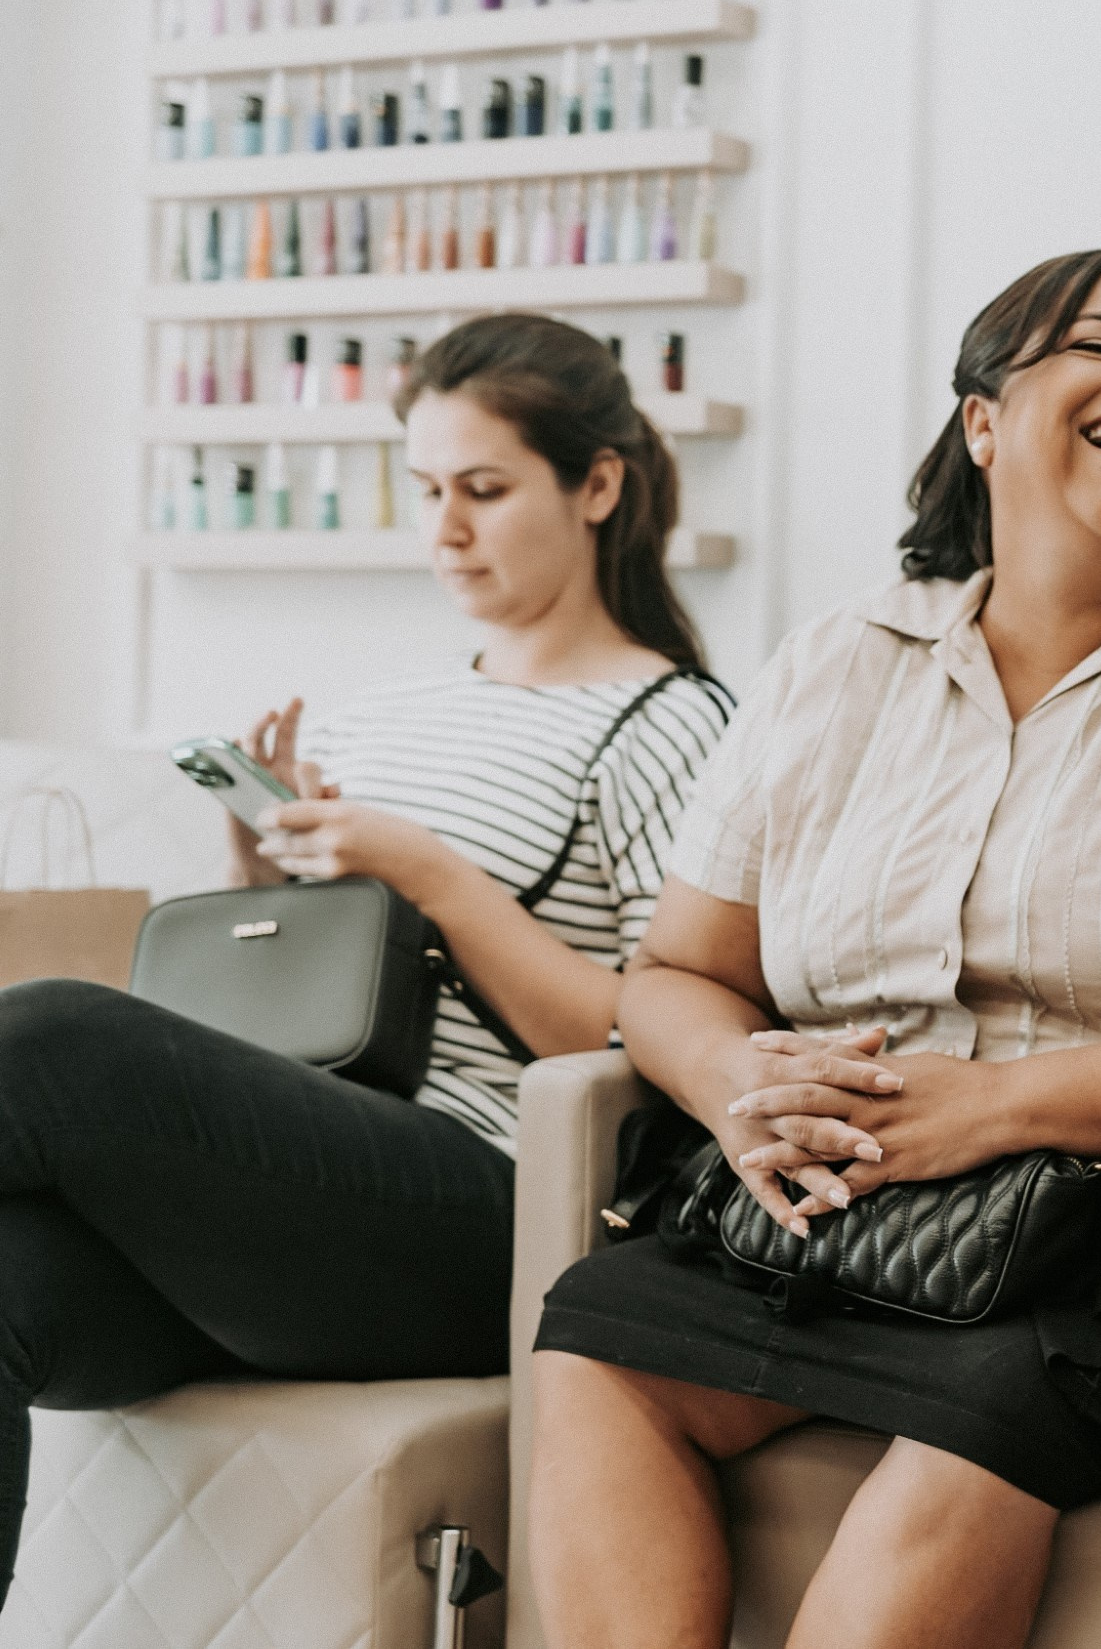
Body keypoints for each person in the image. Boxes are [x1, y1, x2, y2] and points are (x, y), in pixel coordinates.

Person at [525, 248, 1101, 1649]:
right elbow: (673, 972)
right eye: (1099, 345)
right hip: (837, 1217)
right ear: (982, 422)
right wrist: (741, 1088)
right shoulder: (839, 659)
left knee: (984, 1414)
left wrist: (998, 1108)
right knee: (600, 1332)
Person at [0, 312, 732, 1600]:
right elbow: (313, 1016)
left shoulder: (667, 721)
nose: (444, 528)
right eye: (429, 490)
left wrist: (424, 869)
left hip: (488, 1202)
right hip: (300, 1192)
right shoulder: (388, 711)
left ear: (598, 485)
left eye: (486, 491)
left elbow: (651, 1041)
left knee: (48, 1035)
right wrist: (263, 880)